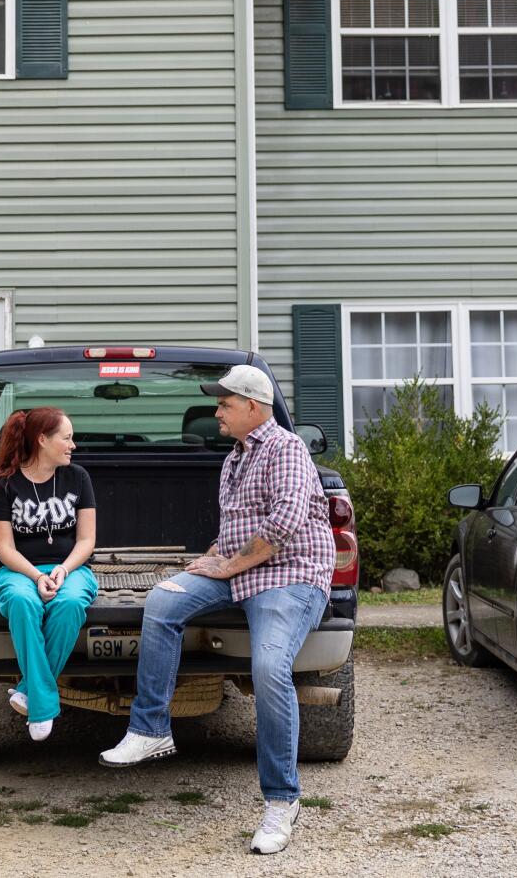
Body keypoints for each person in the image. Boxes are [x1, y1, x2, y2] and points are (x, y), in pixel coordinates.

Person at [98, 364, 334, 856]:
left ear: (253, 406)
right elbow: (236, 529)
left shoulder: (287, 448)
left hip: (289, 578)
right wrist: (213, 557)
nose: (216, 412)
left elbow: (285, 522)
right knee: (164, 598)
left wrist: (227, 568)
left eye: (224, 404)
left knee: (270, 667)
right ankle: (150, 729)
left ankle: (281, 800)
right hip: (239, 569)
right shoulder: (234, 458)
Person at [0, 405, 98, 742]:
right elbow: (5, 549)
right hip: (19, 570)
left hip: (71, 567)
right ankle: (44, 707)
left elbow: (87, 540)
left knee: (71, 602)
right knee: (22, 602)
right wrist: (36, 576)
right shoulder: (5, 485)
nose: (72, 445)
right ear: (42, 440)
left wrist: (62, 569)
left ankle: (28, 692)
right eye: (67, 438)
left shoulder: (78, 477)